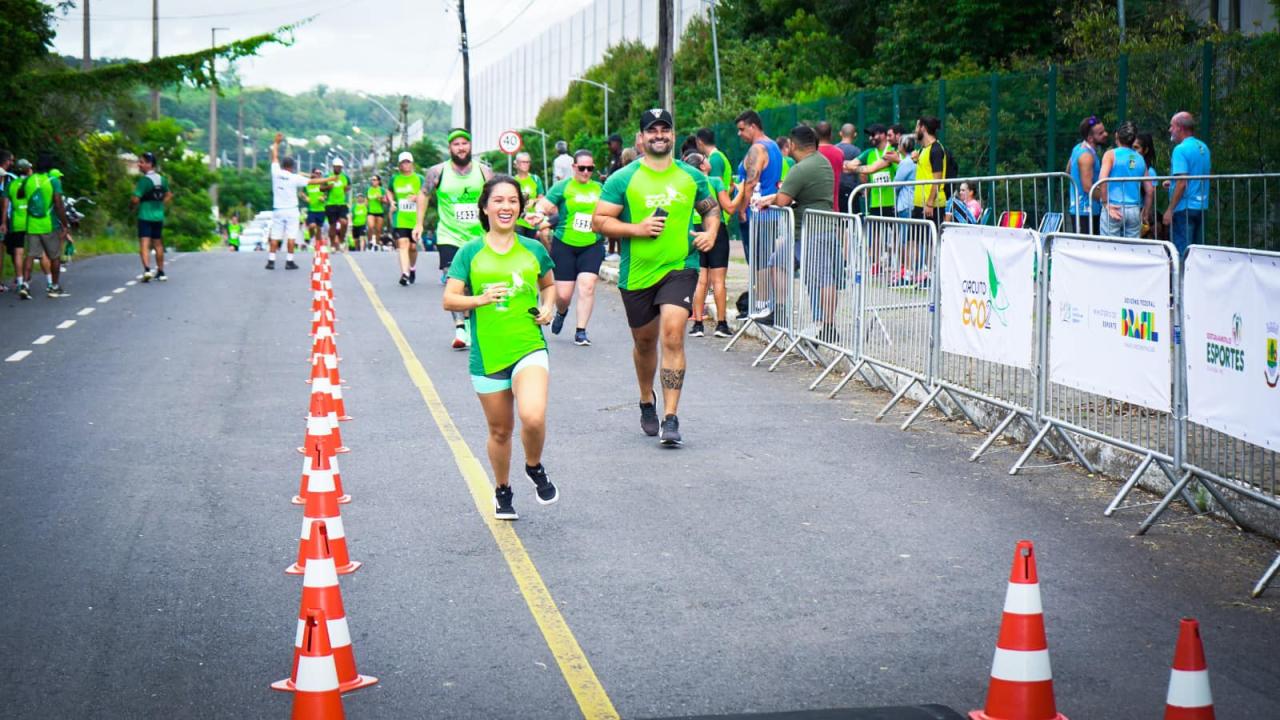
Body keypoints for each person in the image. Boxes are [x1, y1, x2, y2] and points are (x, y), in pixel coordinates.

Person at [594, 108, 720, 447]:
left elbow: (710, 208)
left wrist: (710, 232)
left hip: (680, 266)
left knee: (673, 335)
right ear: (641, 138)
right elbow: (599, 221)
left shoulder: (691, 176)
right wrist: (636, 228)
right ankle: (646, 399)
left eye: (665, 129)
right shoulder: (623, 178)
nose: (659, 135)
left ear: (674, 135)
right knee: (645, 343)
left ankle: (671, 416)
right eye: (652, 130)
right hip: (637, 273)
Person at [442, 175, 558, 520]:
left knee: (532, 416)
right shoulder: (470, 252)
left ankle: (534, 466)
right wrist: (481, 299)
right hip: (488, 354)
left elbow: (549, 286)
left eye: (512, 201)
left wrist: (549, 307)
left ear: (520, 208)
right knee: (500, 430)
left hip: (528, 346)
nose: (506, 207)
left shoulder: (534, 248)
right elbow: (449, 299)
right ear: (485, 207)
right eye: (499, 201)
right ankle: (502, 489)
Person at [757, 125, 838, 342]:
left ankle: (828, 326)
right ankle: (782, 311)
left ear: (792, 145)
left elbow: (783, 199)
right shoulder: (822, 162)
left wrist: (769, 199)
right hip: (815, 228)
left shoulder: (801, 168)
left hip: (813, 230)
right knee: (779, 262)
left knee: (822, 278)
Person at [420, 129, 493, 349]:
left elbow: (495, 196)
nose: (461, 148)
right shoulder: (437, 171)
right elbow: (424, 194)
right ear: (450, 148)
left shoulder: (484, 171)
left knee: (472, 285)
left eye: (464, 144)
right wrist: (418, 223)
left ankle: (470, 325)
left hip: (478, 236)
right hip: (449, 236)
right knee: (455, 282)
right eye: (456, 144)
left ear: (470, 146)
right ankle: (460, 329)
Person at [534, 149, 605, 346]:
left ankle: (581, 331)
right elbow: (544, 206)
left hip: (592, 244)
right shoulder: (563, 187)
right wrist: (539, 214)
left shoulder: (600, 188)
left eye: (590, 168)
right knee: (563, 295)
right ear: (574, 167)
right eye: (581, 168)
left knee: (587, 286)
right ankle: (562, 312)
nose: (585, 172)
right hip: (564, 245)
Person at [685, 152, 734, 339]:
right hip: (715, 229)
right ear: (702, 166)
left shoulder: (688, 183)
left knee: (701, 280)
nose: (708, 160)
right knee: (719, 280)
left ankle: (698, 324)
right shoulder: (714, 181)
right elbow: (728, 207)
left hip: (695, 230)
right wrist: (744, 191)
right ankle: (721, 324)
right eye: (705, 158)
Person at [268, 133, 332, 271]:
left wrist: (276, 143)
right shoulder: (294, 178)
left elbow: (274, 156)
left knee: (275, 236)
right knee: (291, 236)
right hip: (291, 210)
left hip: (277, 209)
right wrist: (329, 179)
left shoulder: (275, 172)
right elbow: (313, 181)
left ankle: (271, 261)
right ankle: (289, 261)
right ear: (291, 167)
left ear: (283, 165)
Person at [22, 153, 72, 298]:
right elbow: (58, 204)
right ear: (50, 167)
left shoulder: (29, 179)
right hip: (48, 224)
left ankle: (25, 284)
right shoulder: (53, 181)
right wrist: (64, 223)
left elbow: (20, 194)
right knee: (55, 256)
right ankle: (54, 287)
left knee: (30, 255)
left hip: (32, 224)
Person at [1164, 111, 1210, 255]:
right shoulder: (1203, 147)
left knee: (1182, 252)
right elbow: (1194, 174)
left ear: (1179, 127)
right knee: (1197, 253)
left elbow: (1182, 183)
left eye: (1171, 126)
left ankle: (1181, 278)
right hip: (1201, 207)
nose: (1170, 130)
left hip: (1184, 209)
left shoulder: (1180, 149)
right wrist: (1172, 183)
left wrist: (1170, 210)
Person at [1097, 121, 1150, 239]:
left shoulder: (1110, 154)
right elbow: (1150, 190)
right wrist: (1145, 212)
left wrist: (1105, 203)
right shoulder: (1140, 158)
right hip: (1134, 209)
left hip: (1113, 207)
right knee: (1132, 248)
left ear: (1117, 136)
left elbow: (1102, 179)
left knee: (1110, 248)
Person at [130, 151, 172, 282]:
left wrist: (133, 204)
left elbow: (135, 199)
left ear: (150, 164)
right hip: (158, 216)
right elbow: (169, 194)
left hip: (145, 215)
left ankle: (147, 270)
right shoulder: (162, 179)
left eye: (142, 162)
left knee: (144, 243)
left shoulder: (144, 181)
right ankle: (161, 271)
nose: (139, 165)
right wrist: (160, 204)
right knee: (158, 244)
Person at [388, 150, 427, 285]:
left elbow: (427, 195)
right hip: (400, 218)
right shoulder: (395, 179)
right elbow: (389, 190)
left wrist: (417, 197)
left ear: (412, 163)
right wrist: (391, 201)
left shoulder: (420, 179)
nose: (406, 165)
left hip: (415, 219)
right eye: (403, 162)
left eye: (408, 162)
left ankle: (412, 268)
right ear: (399, 164)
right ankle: (404, 273)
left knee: (412, 247)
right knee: (402, 244)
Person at [847, 123, 898, 217]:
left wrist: (856, 169)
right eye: (869, 136)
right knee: (875, 232)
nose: (870, 138)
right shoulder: (869, 153)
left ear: (883, 135)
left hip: (892, 202)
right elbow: (850, 165)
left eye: (873, 135)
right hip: (875, 203)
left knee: (896, 232)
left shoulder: (893, 152)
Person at [1067, 115, 1107, 234]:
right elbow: (1088, 187)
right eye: (1100, 133)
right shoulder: (1087, 156)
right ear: (1090, 138)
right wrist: (1108, 200)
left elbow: (1068, 170)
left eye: (1104, 130)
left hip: (1083, 210)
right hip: (1086, 211)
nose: (1105, 134)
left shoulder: (1077, 148)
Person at [912, 116, 951, 227]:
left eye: (916, 127)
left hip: (932, 205)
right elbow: (926, 170)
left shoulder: (936, 149)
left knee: (931, 241)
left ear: (922, 128)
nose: (915, 131)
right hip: (920, 203)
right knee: (913, 241)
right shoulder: (923, 149)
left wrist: (929, 203)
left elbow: (937, 179)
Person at [5, 157, 31, 293]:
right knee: (31, 253)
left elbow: (5, 206)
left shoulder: (11, 184)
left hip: (16, 222)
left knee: (18, 252)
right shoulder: (32, 182)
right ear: (28, 169)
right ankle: (26, 281)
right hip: (31, 222)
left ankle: (20, 281)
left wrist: (3, 222)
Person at [512, 152, 545, 241]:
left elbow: (542, 199)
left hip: (533, 220)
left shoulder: (535, 179)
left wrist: (533, 201)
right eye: (523, 162)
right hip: (518, 220)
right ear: (516, 164)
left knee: (532, 246)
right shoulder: (513, 181)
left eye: (528, 162)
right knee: (520, 245)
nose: (526, 164)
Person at [1134, 133, 1161, 239]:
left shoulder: (1150, 172)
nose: (1133, 151)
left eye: (1136, 148)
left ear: (1145, 150)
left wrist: (1145, 215)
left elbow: (1151, 194)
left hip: (1141, 214)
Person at [814, 121, 845, 211]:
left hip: (814, 208)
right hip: (833, 206)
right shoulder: (839, 153)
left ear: (815, 135)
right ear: (831, 134)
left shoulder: (812, 153)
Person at [324, 158, 350, 252]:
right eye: (337, 167)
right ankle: (333, 244)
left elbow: (349, 187)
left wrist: (347, 188)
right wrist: (328, 187)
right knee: (333, 225)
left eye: (340, 167)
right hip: (331, 204)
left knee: (344, 222)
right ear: (333, 167)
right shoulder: (328, 176)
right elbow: (321, 188)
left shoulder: (345, 177)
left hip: (342, 204)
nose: (338, 169)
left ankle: (342, 240)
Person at [835, 122, 862, 213]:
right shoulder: (857, 151)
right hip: (852, 189)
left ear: (840, 133)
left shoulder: (835, 149)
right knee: (853, 219)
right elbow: (862, 173)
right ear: (855, 134)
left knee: (839, 220)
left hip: (836, 189)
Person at [302, 168, 328, 249]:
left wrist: (323, 197)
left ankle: (318, 246)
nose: (318, 175)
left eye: (320, 173)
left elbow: (327, 193)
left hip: (321, 210)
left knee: (319, 230)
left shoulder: (323, 183)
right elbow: (302, 193)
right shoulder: (308, 183)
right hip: (311, 210)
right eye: (316, 173)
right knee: (312, 226)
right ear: (312, 174)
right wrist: (306, 197)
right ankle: (311, 237)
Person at [366, 175, 386, 245]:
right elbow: (366, 200)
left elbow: (386, 201)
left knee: (378, 230)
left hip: (379, 211)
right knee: (370, 227)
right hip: (370, 212)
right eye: (372, 180)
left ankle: (377, 243)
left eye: (375, 180)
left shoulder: (382, 190)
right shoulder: (368, 189)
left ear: (378, 181)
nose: (373, 181)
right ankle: (369, 242)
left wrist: (380, 199)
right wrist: (366, 205)